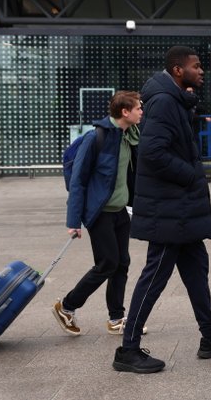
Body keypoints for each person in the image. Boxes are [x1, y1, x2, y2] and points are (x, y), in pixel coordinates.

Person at [112, 46, 211, 374]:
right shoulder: (166, 101)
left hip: (179, 208)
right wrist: (191, 175)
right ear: (178, 70)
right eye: (196, 67)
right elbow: (153, 152)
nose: (202, 72)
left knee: (197, 270)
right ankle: (128, 349)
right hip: (170, 207)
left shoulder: (173, 99)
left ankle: (210, 336)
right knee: (154, 275)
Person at [52, 91, 145, 336]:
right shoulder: (96, 138)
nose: (141, 112)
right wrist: (73, 221)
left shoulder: (129, 136)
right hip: (100, 212)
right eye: (138, 108)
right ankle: (67, 306)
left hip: (120, 211)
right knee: (107, 264)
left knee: (122, 263)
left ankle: (116, 319)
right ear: (125, 112)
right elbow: (79, 181)